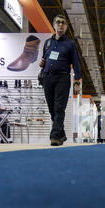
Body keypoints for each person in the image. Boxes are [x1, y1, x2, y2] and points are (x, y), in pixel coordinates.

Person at [39, 14, 82, 146]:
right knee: (52, 108)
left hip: (62, 78)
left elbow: (76, 63)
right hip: (47, 78)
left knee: (59, 107)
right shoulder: (48, 43)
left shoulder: (70, 44)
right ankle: (61, 133)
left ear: (66, 26)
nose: (60, 25)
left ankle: (55, 136)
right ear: (54, 25)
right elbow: (44, 59)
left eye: (63, 23)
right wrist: (42, 63)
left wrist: (77, 81)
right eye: (58, 22)